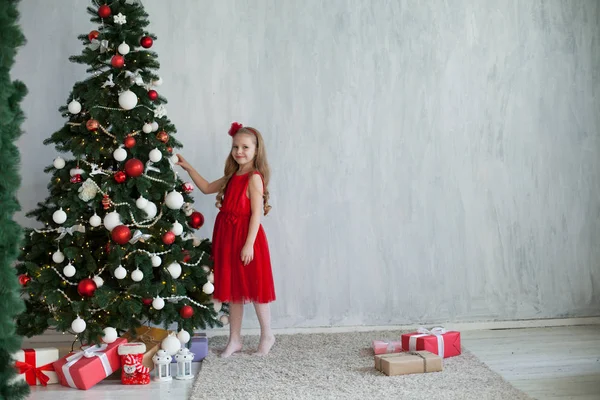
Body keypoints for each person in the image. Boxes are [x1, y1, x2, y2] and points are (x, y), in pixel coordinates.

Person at [176, 122, 276, 357]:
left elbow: (256, 214)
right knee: (233, 290)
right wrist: (189, 167)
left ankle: (267, 334)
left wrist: (249, 243)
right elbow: (207, 187)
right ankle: (235, 339)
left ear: (256, 150)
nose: (239, 152)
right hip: (226, 237)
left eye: (245, 147)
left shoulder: (254, 178)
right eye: (235, 147)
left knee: (254, 287)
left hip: (245, 238)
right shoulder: (232, 176)